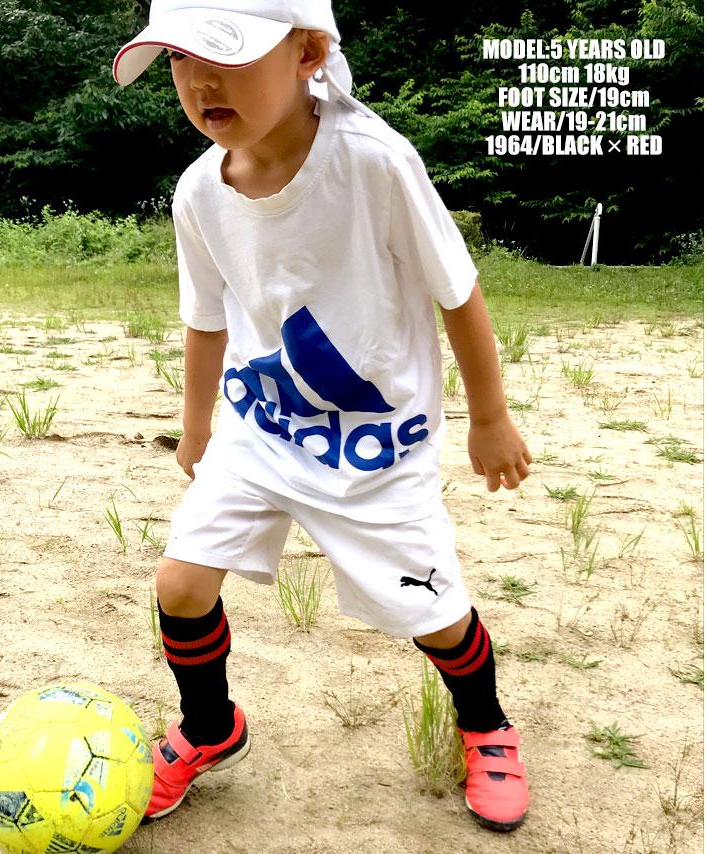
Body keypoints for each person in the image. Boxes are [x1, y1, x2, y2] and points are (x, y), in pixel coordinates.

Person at [113, 0, 532, 834]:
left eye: (225, 56)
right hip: (260, 430)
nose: (200, 82)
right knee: (181, 585)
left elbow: (457, 292)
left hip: (378, 446)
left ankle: (487, 725)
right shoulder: (198, 191)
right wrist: (197, 426)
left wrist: (490, 417)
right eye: (179, 60)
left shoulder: (375, 162)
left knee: (435, 616)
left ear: (307, 54)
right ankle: (210, 727)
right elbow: (207, 318)